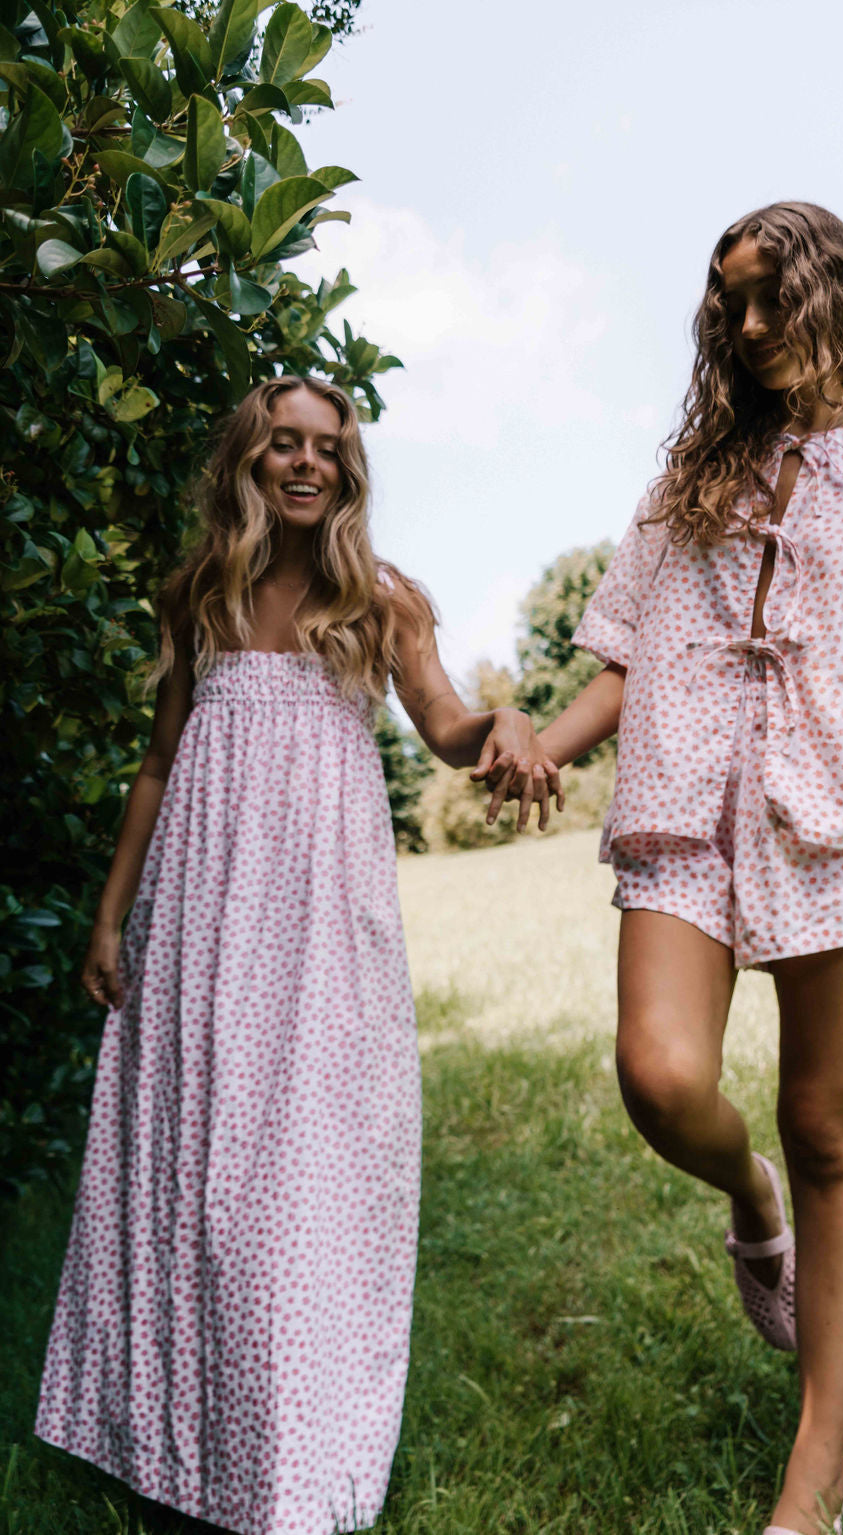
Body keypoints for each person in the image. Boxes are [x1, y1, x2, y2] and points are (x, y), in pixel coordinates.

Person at [495, 202, 843, 1535]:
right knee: (663, 1075)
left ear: (831, 291)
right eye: (725, 304)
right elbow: (621, 651)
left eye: (764, 295)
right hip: (683, 808)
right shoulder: (690, 480)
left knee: (832, 1125)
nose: (741, 325)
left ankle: (817, 1477)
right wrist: (540, 746)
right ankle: (749, 1199)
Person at [34, 375, 560, 1535]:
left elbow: (447, 724)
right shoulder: (199, 596)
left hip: (320, 929)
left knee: (293, 1180)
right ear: (250, 460)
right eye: (285, 444)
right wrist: (111, 917)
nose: (308, 463)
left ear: (349, 469)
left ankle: (291, 1457)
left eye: (328, 446)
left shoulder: (379, 600)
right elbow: (161, 763)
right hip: (196, 917)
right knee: (190, 1178)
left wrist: (508, 725)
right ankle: (171, 1435)